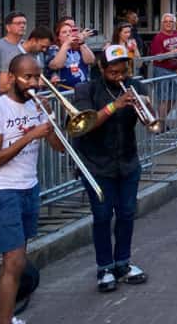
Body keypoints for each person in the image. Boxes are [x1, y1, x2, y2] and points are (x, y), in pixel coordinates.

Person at [0, 53, 64, 324]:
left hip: (28, 186)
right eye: (28, 77)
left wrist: (49, 126)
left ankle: (8, 316)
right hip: (2, 190)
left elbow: (60, 148)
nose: (34, 83)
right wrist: (30, 136)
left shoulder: (37, 106)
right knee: (13, 261)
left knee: (17, 259)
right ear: (12, 78)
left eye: (37, 77)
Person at [73, 45, 151, 291]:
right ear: (102, 68)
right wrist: (115, 106)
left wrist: (145, 107)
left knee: (127, 213)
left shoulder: (134, 86)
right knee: (103, 216)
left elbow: (149, 121)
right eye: (114, 72)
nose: (120, 77)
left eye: (123, 71)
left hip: (127, 161)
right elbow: (86, 125)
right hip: (97, 164)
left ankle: (123, 263)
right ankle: (104, 267)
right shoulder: (86, 89)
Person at [0, 12, 28, 95]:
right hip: (4, 96)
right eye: (18, 23)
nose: (22, 26)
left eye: (24, 23)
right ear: (8, 27)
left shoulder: (25, 46)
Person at [46, 21, 96, 90]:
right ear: (58, 37)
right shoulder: (55, 48)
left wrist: (81, 43)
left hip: (84, 89)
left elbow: (91, 60)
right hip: (65, 91)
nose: (68, 34)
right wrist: (66, 44)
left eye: (70, 31)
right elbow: (57, 65)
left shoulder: (79, 47)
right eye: (64, 32)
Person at [149, 13, 177, 78]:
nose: (168, 23)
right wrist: (175, 51)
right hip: (162, 70)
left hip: (175, 70)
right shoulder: (158, 37)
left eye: (171, 21)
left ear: (174, 23)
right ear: (162, 24)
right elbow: (158, 58)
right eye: (165, 22)